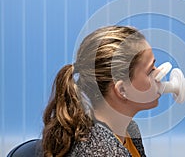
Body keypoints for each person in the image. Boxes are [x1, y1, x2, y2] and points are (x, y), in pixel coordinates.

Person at [42, 26, 162, 157]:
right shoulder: (102, 151)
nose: (159, 73)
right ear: (122, 90)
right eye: (150, 71)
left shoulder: (130, 130)